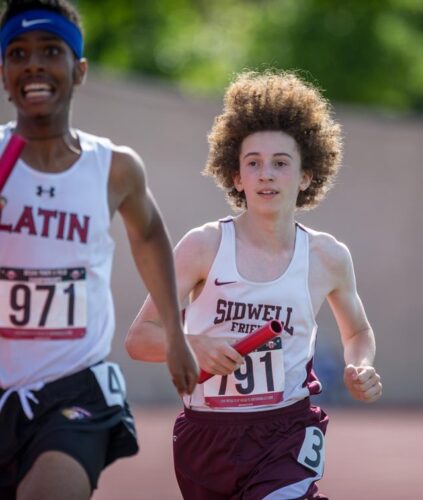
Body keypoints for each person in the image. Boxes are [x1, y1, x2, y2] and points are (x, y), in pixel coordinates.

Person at [126, 69, 383, 499]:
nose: (266, 174)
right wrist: (193, 345)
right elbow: (139, 339)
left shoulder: (327, 257)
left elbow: (357, 331)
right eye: (253, 163)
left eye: (281, 163)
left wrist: (363, 365)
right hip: (207, 436)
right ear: (235, 176)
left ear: (306, 176)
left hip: (287, 430)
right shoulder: (203, 246)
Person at [0, 1, 199, 498]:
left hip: (74, 388)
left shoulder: (114, 169)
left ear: (79, 69)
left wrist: (175, 333)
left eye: (51, 50)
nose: (34, 65)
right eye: (18, 53)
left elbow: (148, 234)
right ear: (4, 73)